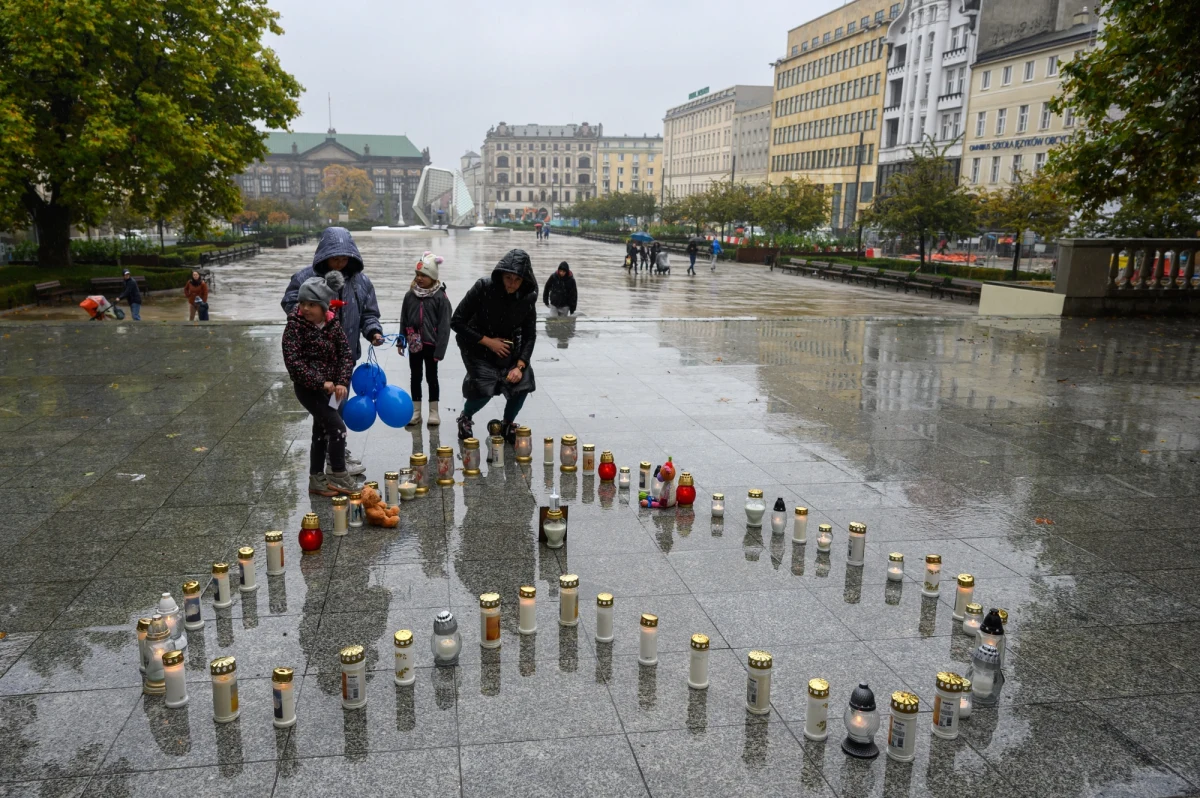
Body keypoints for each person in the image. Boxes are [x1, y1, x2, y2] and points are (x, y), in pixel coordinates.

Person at [282, 227, 384, 477]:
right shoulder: (306, 277)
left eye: (344, 258)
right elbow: (290, 302)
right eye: (335, 257)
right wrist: (313, 311)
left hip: (343, 362)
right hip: (313, 365)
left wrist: (373, 332)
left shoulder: (362, 282)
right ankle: (335, 461)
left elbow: (369, 314)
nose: (340, 262)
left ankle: (329, 458)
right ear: (324, 255)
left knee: (333, 411)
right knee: (330, 415)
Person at [281, 270, 357, 497]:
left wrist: (342, 381)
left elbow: (346, 354)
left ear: (324, 307)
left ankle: (316, 479)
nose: (305, 309)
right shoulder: (295, 326)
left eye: (311, 304)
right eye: (302, 303)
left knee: (321, 431)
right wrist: (320, 382)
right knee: (337, 428)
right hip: (309, 389)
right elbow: (293, 363)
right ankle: (338, 474)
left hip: (333, 391)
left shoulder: (333, 326)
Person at [451, 249, 537, 443]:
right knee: (485, 386)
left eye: (517, 280)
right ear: (501, 275)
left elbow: (530, 335)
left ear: (525, 280)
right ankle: (465, 417)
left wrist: (520, 364)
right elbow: (456, 322)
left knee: (521, 383)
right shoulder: (483, 287)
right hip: (476, 344)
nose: (512, 284)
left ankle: (507, 423)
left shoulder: (528, 297)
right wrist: (489, 342)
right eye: (508, 278)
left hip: (508, 346)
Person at [400, 252, 453, 428]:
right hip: (414, 342)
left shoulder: (440, 297)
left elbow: (445, 327)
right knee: (415, 376)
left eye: (424, 275)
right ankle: (416, 412)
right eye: (418, 275)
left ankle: (433, 412)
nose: (419, 278)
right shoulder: (410, 296)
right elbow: (404, 318)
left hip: (432, 344)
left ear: (432, 277)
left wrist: (440, 350)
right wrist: (402, 340)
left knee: (432, 377)